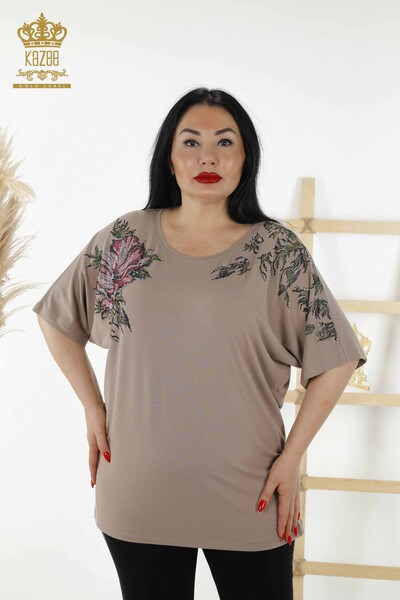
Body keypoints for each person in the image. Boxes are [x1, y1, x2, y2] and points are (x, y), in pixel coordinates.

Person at [32, 87, 367, 600]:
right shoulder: (126, 237)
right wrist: (92, 406)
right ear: (169, 158)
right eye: (190, 142)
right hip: (140, 491)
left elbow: (336, 358)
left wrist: (291, 459)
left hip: (251, 489)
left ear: (246, 157)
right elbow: (57, 319)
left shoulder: (277, 250)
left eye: (224, 142)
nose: (207, 157)